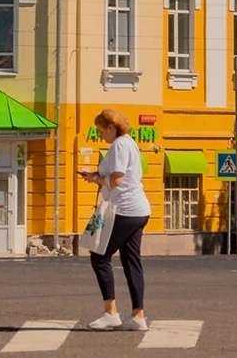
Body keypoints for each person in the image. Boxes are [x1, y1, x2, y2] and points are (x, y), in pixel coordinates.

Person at [78, 107, 150, 331]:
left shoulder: (119, 144)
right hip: (139, 210)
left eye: (101, 131)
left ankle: (111, 313)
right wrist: (97, 177)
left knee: (99, 255)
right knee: (131, 261)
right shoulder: (130, 142)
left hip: (124, 209)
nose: (100, 135)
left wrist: (96, 179)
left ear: (111, 127)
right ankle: (138, 316)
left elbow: (117, 179)